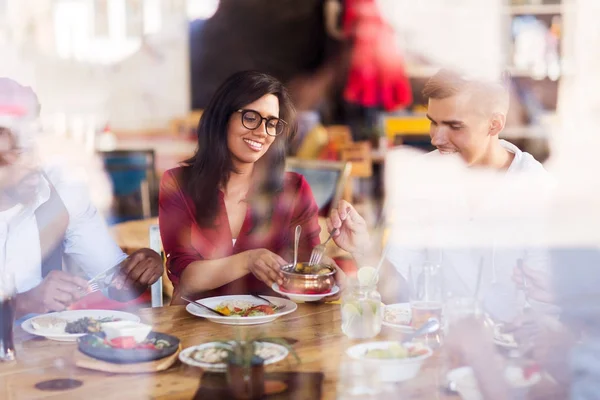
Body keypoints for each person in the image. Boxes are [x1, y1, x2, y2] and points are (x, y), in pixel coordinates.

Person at [327, 69, 555, 321]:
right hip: (431, 343)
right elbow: (397, 290)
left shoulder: (534, 186)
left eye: (454, 126)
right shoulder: (421, 175)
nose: (436, 138)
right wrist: (362, 249)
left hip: (507, 347)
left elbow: (546, 301)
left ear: (495, 123)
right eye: (433, 122)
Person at [159, 71, 344, 303]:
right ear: (223, 117)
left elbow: (310, 266)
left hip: (272, 326)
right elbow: (186, 277)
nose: (262, 132)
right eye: (250, 117)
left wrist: (348, 261)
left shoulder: (294, 188)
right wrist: (249, 260)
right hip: (200, 327)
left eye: (272, 123)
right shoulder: (178, 184)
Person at [0, 78, 163, 318]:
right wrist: (23, 303)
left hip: (43, 351)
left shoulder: (61, 195)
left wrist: (137, 271)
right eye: (19, 150)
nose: (34, 161)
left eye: (34, 144)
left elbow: (112, 283)